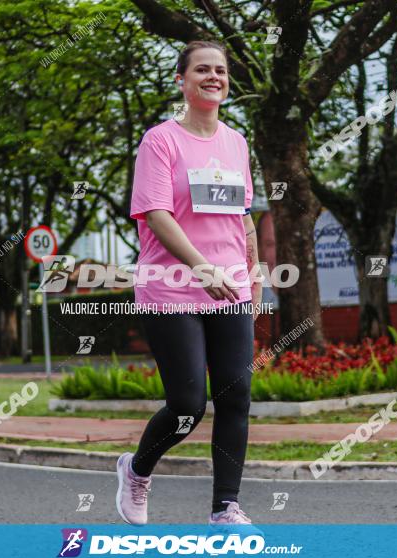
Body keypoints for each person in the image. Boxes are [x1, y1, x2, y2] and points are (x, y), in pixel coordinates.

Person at [115, 40, 263, 531]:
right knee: (186, 404)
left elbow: (243, 218)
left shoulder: (237, 143)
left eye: (220, 70)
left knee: (236, 394)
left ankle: (225, 506)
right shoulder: (161, 141)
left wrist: (253, 271)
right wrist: (202, 268)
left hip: (231, 288)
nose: (213, 76)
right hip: (171, 288)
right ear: (182, 80)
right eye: (202, 69)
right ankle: (136, 471)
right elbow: (156, 214)